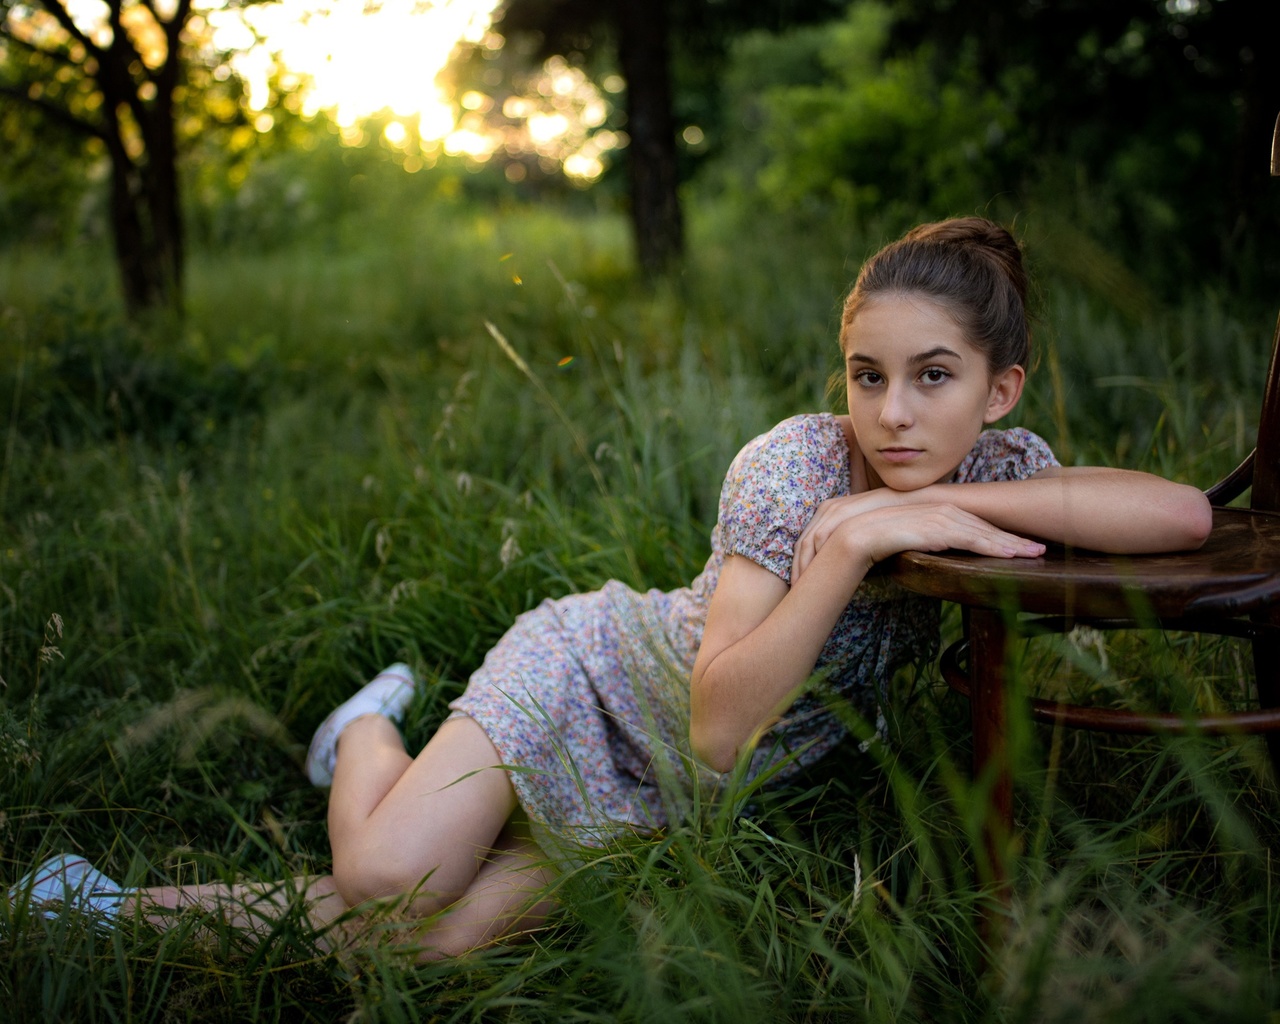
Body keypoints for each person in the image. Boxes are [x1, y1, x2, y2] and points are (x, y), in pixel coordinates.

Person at [6, 217, 1213, 958]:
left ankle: (100, 906)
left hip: (672, 803)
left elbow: (1182, 513)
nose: (893, 412)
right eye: (867, 374)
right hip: (600, 681)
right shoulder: (792, 470)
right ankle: (367, 730)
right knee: (385, 880)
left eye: (933, 376)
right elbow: (717, 721)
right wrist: (845, 540)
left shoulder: (1001, 467)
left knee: (418, 951)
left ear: (1000, 390)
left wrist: (939, 507)